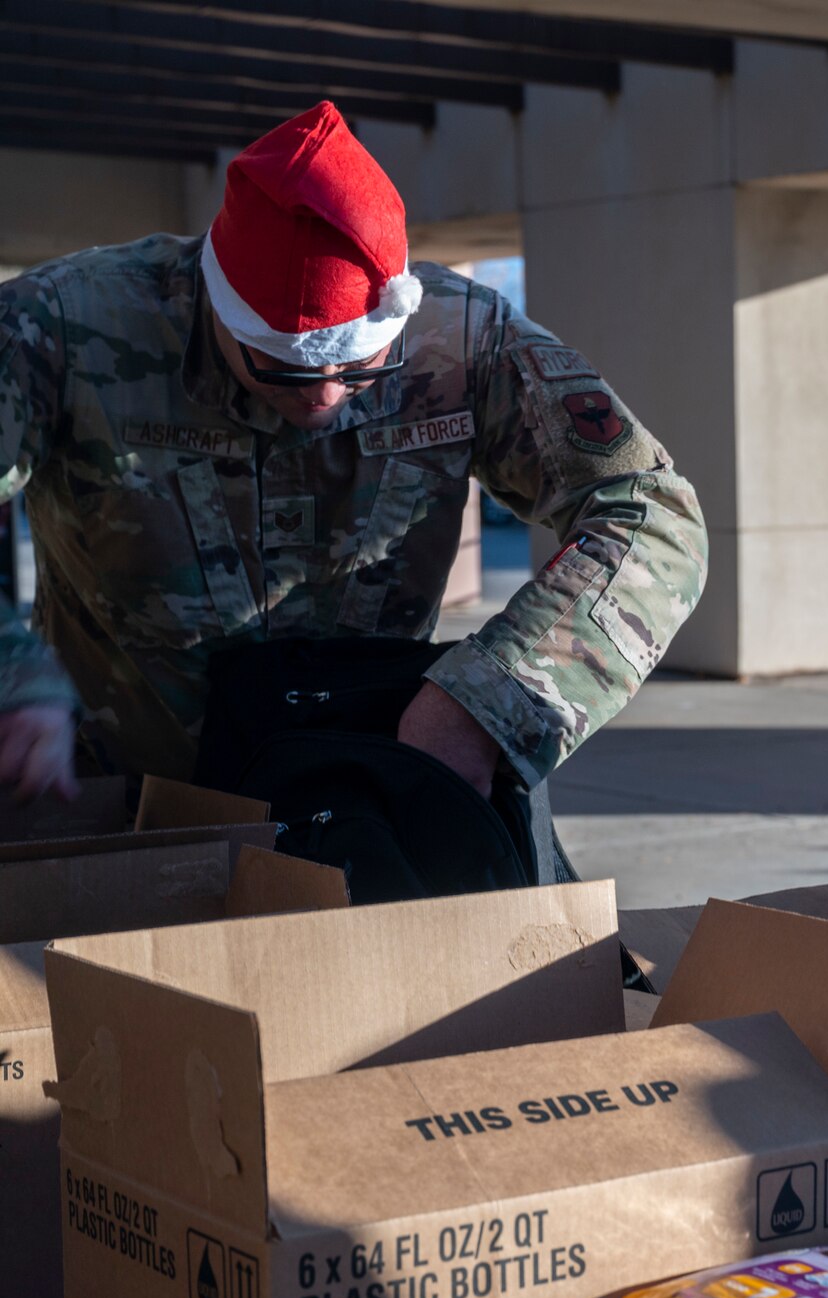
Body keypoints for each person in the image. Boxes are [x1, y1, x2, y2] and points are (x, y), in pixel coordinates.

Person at [0, 102, 706, 801]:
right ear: (219, 310)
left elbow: (651, 513)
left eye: (361, 369)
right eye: (283, 370)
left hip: (372, 798)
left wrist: (489, 701)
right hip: (124, 802)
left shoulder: (462, 342)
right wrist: (16, 676)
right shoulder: (65, 329)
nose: (325, 398)